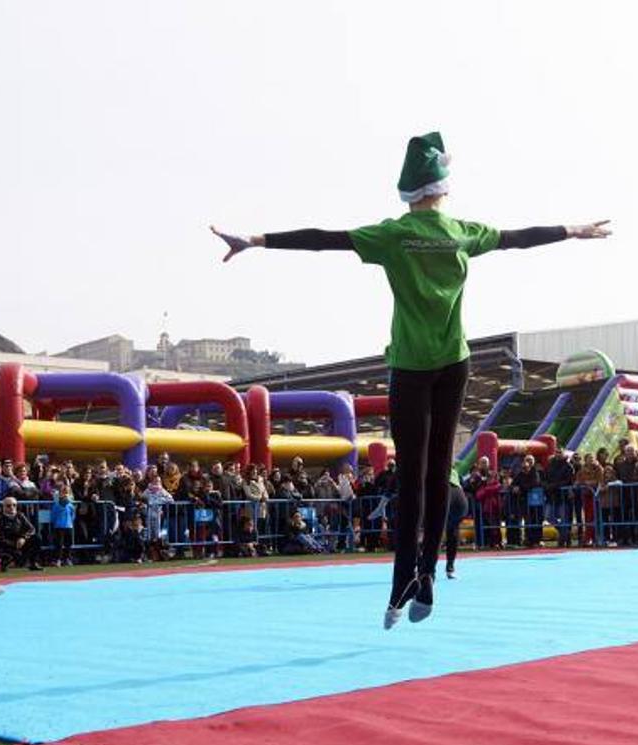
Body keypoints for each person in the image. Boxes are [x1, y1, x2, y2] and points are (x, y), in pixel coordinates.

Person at [212, 130, 611, 628]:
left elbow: (325, 240)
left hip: (411, 366)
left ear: (408, 191)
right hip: (454, 362)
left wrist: (257, 240)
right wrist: (571, 230)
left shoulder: (394, 235)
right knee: (439, 472)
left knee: (413, 477)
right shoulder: (462, 232)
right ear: (443, 184)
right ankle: (426, 577)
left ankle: (402, 581)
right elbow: (518, 238)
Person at [442, 468, 469, 578]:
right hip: (459, 497)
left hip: (444, 491)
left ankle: (424, 569)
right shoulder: (452, 468)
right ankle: (450, 567)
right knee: (453, 530)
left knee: (431, 531)